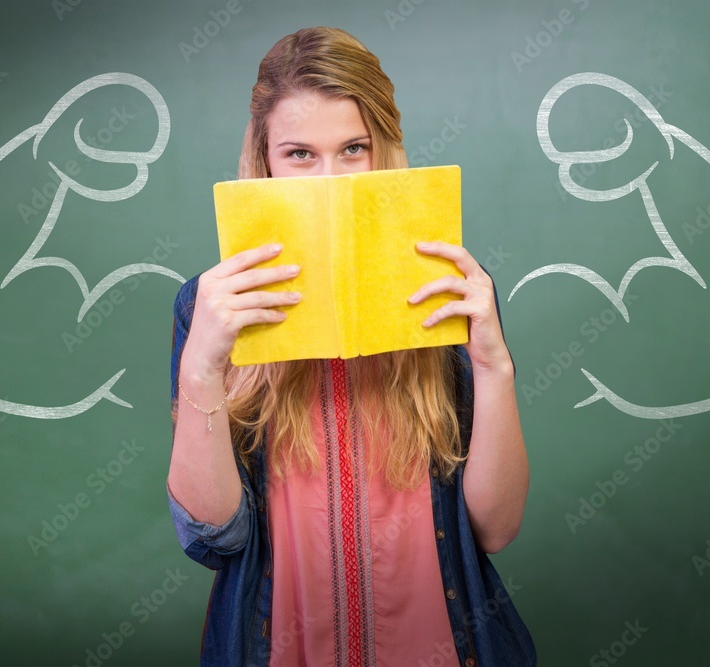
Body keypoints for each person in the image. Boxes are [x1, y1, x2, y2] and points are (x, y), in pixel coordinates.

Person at [167, 26, 535, 667]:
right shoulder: (209, 306)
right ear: (266, 162)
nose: (328, 180)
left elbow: (495, 530)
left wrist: (494, 368)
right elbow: (216, 539)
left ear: (385, 152)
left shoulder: (450, 292)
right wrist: (203, 366)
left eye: (353, 149)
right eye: (300, 154)